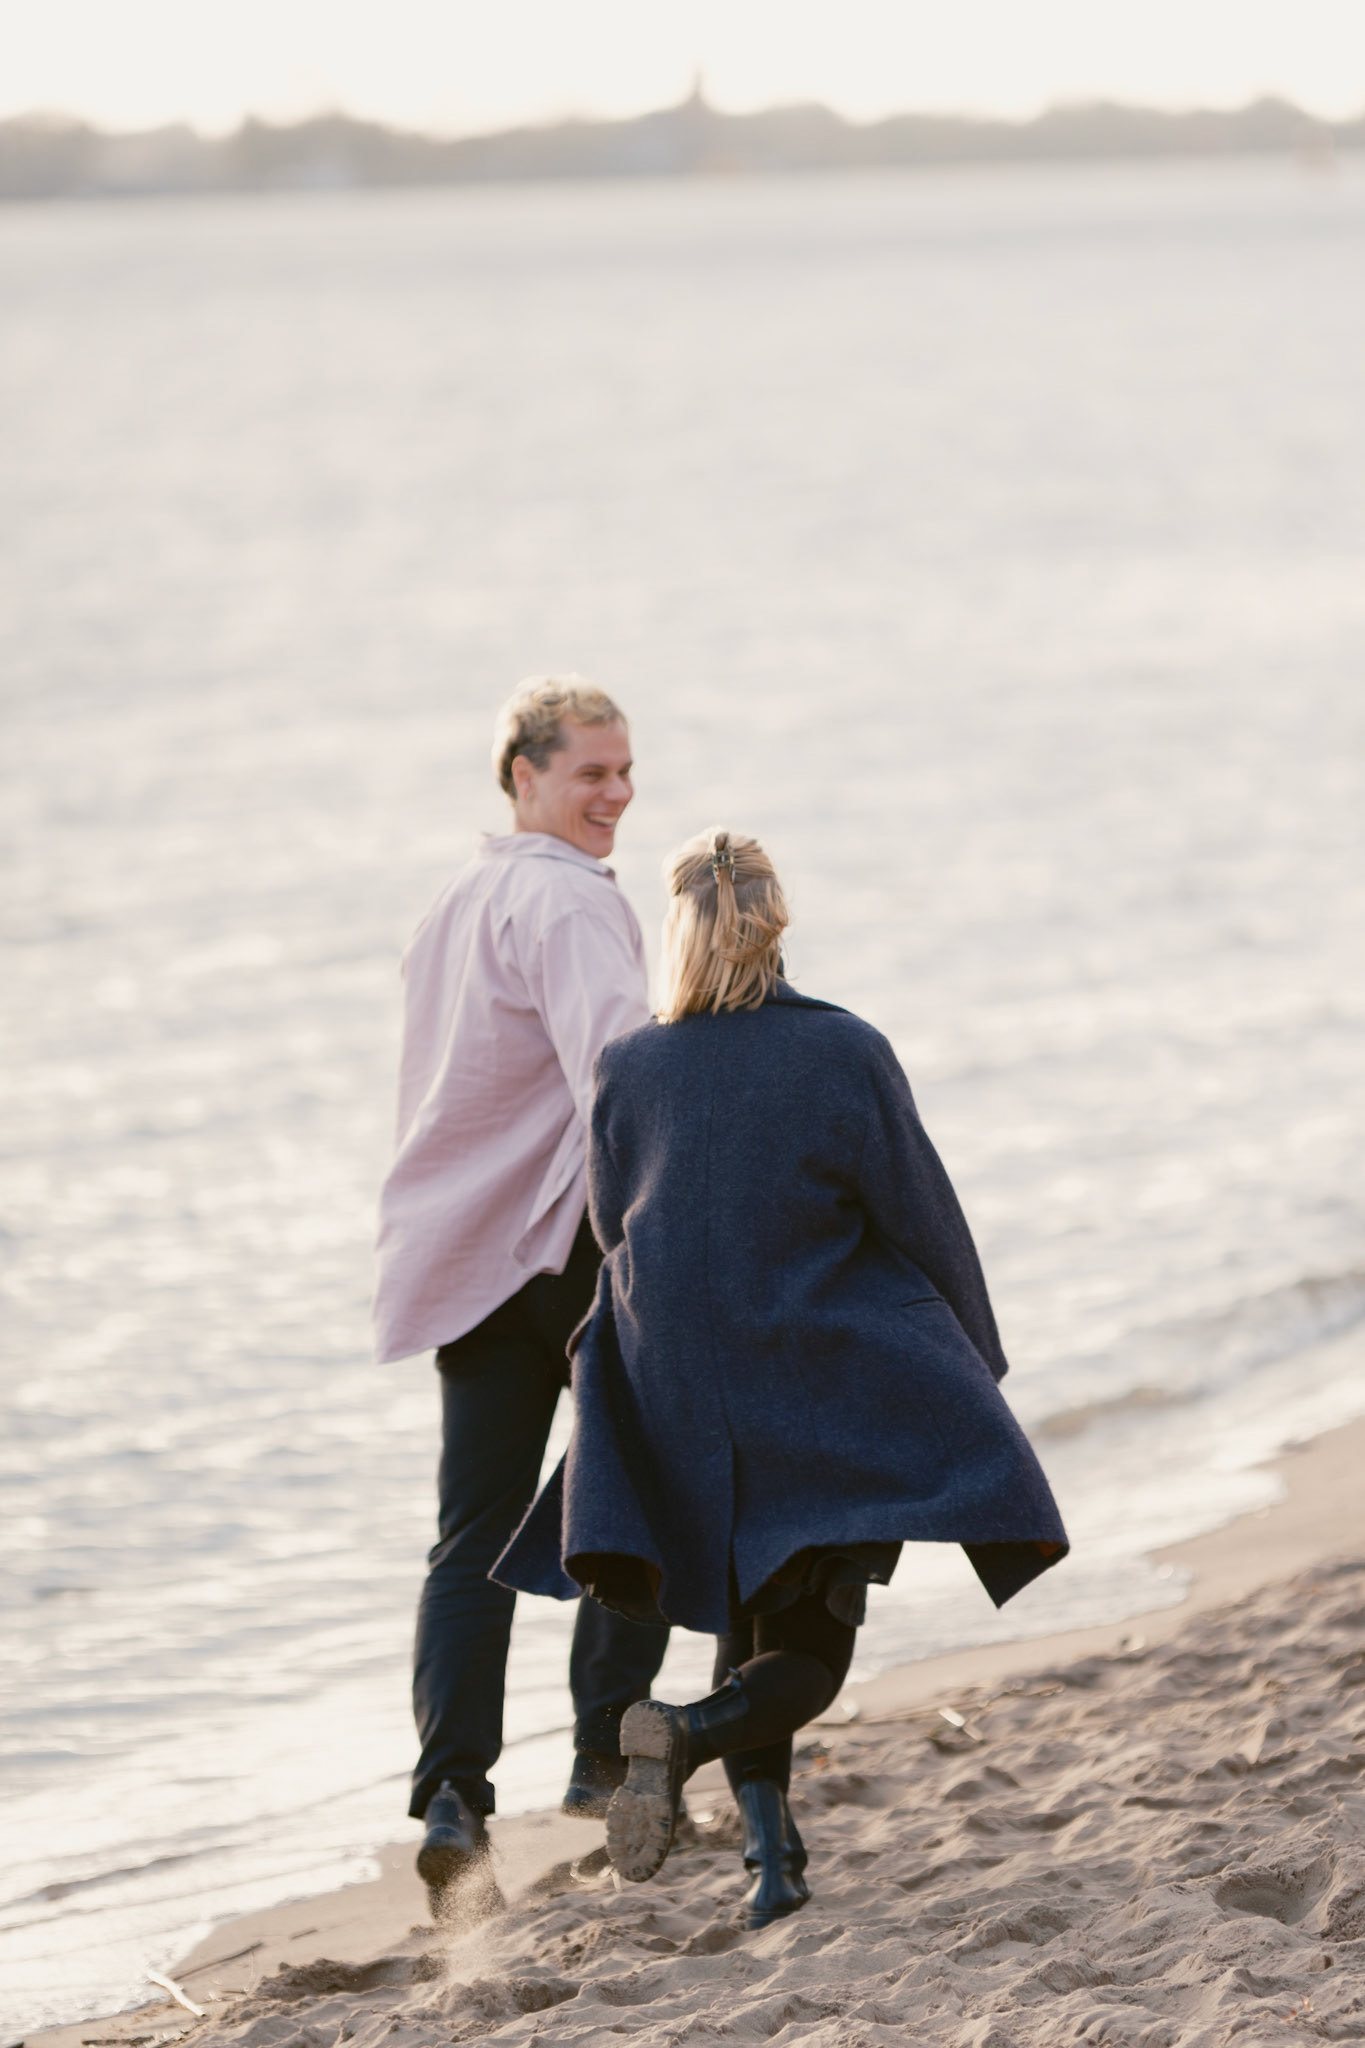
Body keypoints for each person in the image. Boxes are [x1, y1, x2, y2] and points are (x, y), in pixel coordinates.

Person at [496, 828, 1068, 1930]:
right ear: (777, 921)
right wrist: (971, 1368)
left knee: (744, 1615)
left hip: (683, 1394)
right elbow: (921, 1218)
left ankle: (773, 1859)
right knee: (807, 1654)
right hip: (819, 1386)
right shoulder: (844, 1049)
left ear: (675, 930)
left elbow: (614, 1232)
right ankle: (684, 1734)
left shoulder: (627, 1065)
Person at [373, 676, 670, 1918]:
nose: (617, 793)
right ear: (523, 775)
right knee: (643, 1492)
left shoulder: (455, 901)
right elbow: (620, 1072)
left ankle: (454, 1796)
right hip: (571, 1244)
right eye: (592, 771)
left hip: (467, 1256)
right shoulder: (569, 898)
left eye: (625, 769)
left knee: (473, 1539)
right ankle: (606, 1753)